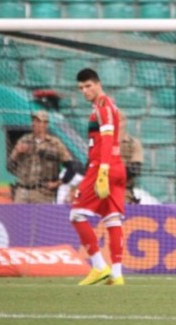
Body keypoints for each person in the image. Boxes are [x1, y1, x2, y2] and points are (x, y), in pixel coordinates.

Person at [71, 68, 127, 286]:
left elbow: (106, 138)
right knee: (112, 218)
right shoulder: (108, 105)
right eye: (81, 88)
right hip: (116, 165)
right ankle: (117, 273)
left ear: (98, 83)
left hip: (102, 166)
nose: (85, 91)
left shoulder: (103, 106)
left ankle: (98, 266)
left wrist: (102, 169)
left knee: (76, 215)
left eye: (88, 86)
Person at [7, 111, 76, 204]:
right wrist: (17, 153)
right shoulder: (24, 140)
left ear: (46, 124)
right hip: (22, 190)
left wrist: (57, 183)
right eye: (34, 121)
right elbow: (9, 165)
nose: (36, 124)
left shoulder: (55, 143)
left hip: (42, 192)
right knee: (18, 218)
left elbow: (71, 167)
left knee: (40, 218)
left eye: (40, 121)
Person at [118, 111, 144, 204]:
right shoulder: (101, 143)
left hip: (123, 189)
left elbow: (135, 169)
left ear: (124, 122)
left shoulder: (133, 143)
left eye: (119, 120)